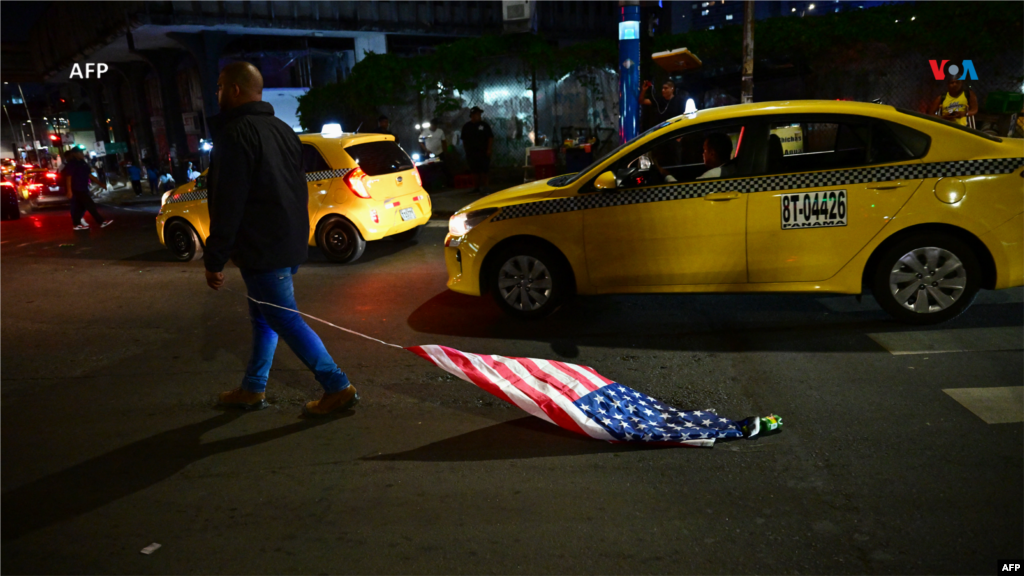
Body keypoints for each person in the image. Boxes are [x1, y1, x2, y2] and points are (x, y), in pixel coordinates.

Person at [205, 61, 357, 417]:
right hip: (286, 243)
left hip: (263, 247)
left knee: (285, 319)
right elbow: (294, 188)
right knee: (265, 318)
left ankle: (337, 386)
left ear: (236, 90)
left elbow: (228, 202)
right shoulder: (283, 130)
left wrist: (214, 259)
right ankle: (253, 388)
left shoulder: (235, 134)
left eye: (220, 86)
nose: (217, 93)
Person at [63, 148, 112, 231]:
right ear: (74, 154)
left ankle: (76, 224)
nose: (82, 154)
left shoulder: (83, 163)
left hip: (84, 187)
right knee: (90, 204)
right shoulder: (72, 164)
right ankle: (101, 222)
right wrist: (69, 191)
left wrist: (100, 184)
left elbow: (89, 175)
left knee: (80, 207)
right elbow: (68, 177)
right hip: (77, 188)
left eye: (82, 152)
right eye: (80, 153)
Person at [461, 106, 493, 194]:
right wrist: (466, 150)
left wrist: (489, 149)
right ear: (472, 115)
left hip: (483, 151)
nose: (479, 116)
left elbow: (490, 137)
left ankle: (485, 187)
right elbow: (464, 139)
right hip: (471, 152)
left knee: (484, 170)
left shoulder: (484, 125)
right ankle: (476, 188)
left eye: (479, 114)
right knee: (474, 170)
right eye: (477, 114)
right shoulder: (467, 126)